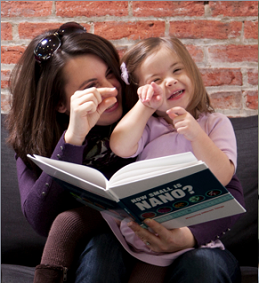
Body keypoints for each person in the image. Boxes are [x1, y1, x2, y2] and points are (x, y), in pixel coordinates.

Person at [6, 22, 166, 283]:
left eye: (111, 74)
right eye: (92, 85)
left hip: (152, 244)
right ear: (60, 103)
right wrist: (73, 138)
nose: (112, 90)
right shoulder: (34, 141)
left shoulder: (145, 116)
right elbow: (40, 222)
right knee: (102, 245)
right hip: (86, 255)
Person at [109, 36, 245, 282]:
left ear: (191, 72)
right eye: (156, 80)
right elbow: (120, 145)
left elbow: (223, 176)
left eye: (177, 70)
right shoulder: (149, 126)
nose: (169, 81)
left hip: (194, 238)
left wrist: (196, 134)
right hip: (145, 241)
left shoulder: (214, 124)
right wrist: (145, 106)